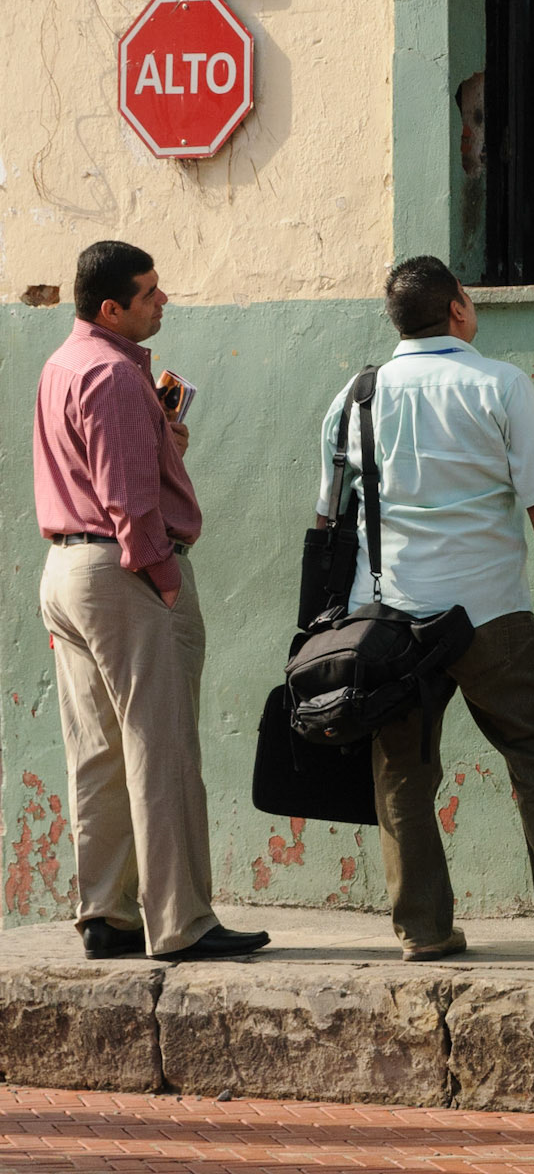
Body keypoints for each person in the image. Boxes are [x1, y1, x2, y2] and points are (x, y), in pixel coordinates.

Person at [319, 255, 534, 963]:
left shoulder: (354, 397)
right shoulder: (499, 384)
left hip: (387, 620)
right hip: (489, 614)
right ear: (457, 307)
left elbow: (331, 516)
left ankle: (423, 930)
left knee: (402, 772)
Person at [33, 241, 270, 964]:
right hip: (123, 573)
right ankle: (182, 922)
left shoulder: (65, 363)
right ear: (112, 308)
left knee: (98, 752)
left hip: (67, 571)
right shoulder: (110, 375)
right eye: (149, 293)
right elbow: (129, 501)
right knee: (160, 748)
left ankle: (106, 914)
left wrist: (163, 442)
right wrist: (162, 574)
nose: (162, 300)